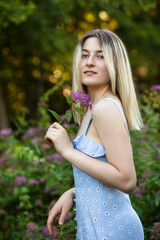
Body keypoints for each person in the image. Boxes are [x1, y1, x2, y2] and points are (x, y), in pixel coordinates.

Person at [44, 29, 144, 240]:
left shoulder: (105, 108)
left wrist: (68, 151)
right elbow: (103, 174)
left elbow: (126, 180)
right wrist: (74, 192)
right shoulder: (91, 108)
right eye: (84, 55)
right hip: (97, 229)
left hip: (111, 230)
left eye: (100, 56)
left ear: (115, 64)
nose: (89, 62)